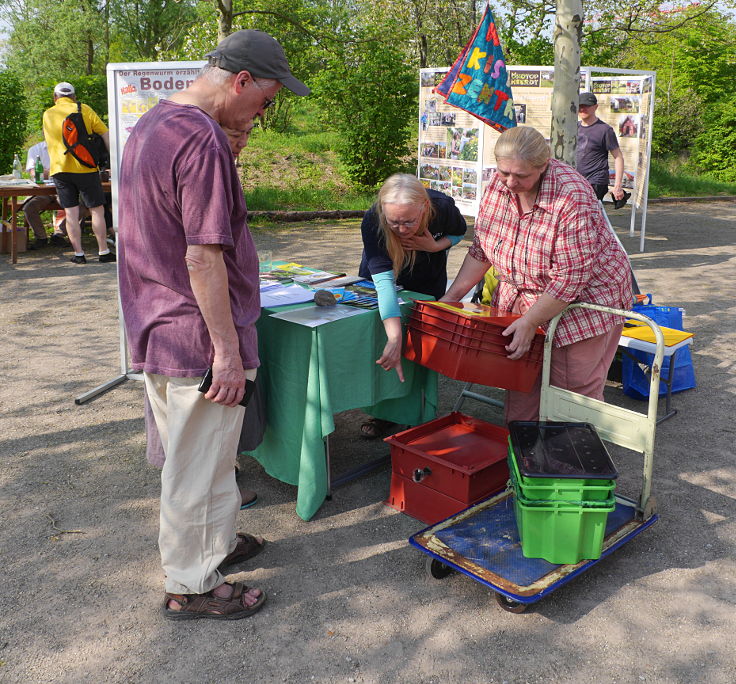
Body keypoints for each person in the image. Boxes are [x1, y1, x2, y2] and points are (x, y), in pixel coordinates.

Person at [118, 29, 309, 621]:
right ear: (242, 80)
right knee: (197, 468)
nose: (263, 113)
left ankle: (216, 545)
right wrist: (225, 352)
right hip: (196, 336)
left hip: (160, 322)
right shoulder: (200, 139)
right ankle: (192, 585)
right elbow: (203, 256)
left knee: (204, 456)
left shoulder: (156, 122)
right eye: (266, 100)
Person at [443, 126, 633, 423]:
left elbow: (570, 278)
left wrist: (531, 320)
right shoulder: (499, 184)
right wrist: (452, 298)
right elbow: (483, 249)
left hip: (585, 301)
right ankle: (523, 454)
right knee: (521, 377)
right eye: (504, 172)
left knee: (571, 386)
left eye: (520, 176)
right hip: (525, 293)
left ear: (543, 166)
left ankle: (569, 459)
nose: (509, 182)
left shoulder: (572, 195)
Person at [358, 173, 466, 437]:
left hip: (426, 280)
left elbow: (459, 232)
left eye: (409, 221)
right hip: (384, 282)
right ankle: (383, 414)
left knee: (421, 344)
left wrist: (434, 246)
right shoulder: (373, 221)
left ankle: (418, 411)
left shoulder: (443, 207)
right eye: (394, 222)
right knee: (386, 344)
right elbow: (384, 285)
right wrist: (394, 337)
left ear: (425, 208)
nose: (403, 229)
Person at [42, 82, 113, 264]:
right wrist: (111, 159)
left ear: (55, 97)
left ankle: (79, 254)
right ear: (74, 96)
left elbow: (48, 139)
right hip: (85, 168)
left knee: (71, 213)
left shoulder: (48, 114)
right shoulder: (85, 109)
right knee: (96, 210)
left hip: (60, 169)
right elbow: (105, 134)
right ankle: (103, 251)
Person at [576, 92, 628, 206]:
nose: (582, 109)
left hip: (595, 181)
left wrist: (618, 186)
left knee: (588, 213)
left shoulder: (605, 130)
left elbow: (618, 157)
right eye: (580, 106)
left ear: (595, 107)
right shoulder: (574, 127)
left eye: (586, 106)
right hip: (576, 180)